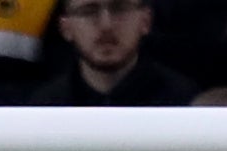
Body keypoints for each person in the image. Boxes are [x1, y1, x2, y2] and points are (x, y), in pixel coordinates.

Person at [27, 0, 195, 106]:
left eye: (120, 7)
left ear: (146, 20)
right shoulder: (45, 108)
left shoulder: (183, 102)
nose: (106, 25)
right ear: (65, 27)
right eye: (89, 10)